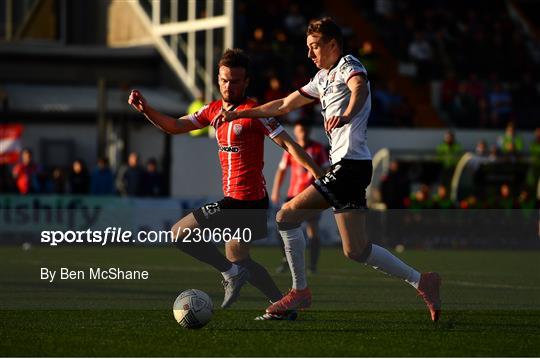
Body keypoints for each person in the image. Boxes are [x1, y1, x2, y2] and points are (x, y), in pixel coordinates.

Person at [218, 18, 442, 322]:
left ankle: (300, 291)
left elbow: (359, 88)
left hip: (350, 166)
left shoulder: (349, 64)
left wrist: (348, 114)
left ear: (332, 45)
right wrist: (242, 113)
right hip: (351, 168)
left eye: (314, 47)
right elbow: (284, 104)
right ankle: (422, 280)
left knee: (286, 216)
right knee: (356, 249)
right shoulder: (321, 77)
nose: (310, 54)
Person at [128, 48, 324, 319]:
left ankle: (231, 275)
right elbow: (174, 125)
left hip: (247, 202)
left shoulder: (255, 112)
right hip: (238, 200)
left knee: (179, 234)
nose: (228, 86)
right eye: (224, 80)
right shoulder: (212, 110)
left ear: (246, 82)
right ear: (217, 78)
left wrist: (316, 171)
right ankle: (282, 306)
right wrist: (146, 109)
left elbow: (288, 144)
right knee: (240, 259)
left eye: (234, 81)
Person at [271, 120, 329, 274]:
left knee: (312, 230)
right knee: (281, 226)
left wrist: (324, 190)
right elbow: (281, 170)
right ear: (296, 131)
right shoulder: (291, 148)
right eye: (300, 129)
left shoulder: (318, 148)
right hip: (293, 194)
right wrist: (276, 190)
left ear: (309, 130)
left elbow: (326, 169)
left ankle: (313, 266)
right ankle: (286, 260)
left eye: (305, 129)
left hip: (312, 194)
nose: (303, 131)